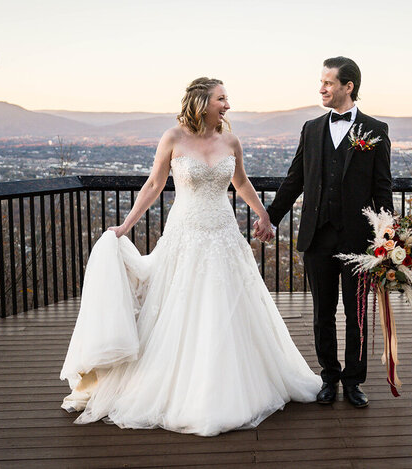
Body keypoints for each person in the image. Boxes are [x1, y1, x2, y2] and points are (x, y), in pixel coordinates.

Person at [60, 77, 321, 437]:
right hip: (186, 234)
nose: (227, 105)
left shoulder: (231, 141)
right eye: (221, 99)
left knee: (228, 305)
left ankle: (232, 385)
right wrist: (125, 226)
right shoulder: (173, 138)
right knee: (181, 307)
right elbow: (154, 185)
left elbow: (241, 183)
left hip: (224, 234)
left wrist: (263, 214)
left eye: (226, 99)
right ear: (202, 102)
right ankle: (181, 387)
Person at [255, 56, 393, 408]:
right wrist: (270, 217)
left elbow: (382, 188)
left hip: (359, 241)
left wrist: (388, 237)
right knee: (323, 312)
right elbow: (294, 180)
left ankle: (354, 381)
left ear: (348, 87)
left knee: (357, 314)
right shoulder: (311, 129)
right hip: (317, 237)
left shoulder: (376, 130)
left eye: (328, 83)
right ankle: (328, 377)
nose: (321, 88)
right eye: (321, 82)